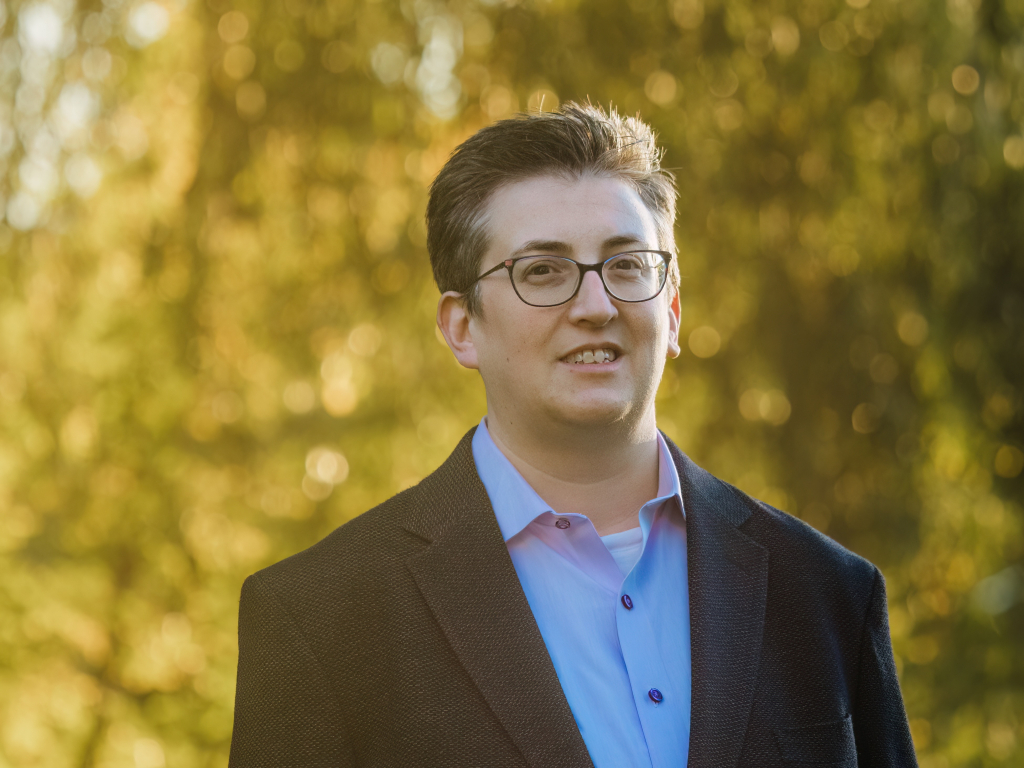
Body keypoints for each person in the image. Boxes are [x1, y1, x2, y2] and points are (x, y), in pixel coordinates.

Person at [229, 103, 918, 768]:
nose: (596, 305)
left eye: (627, 265)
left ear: (674, 310)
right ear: (462, 327)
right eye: (542, 271)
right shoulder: (322, 620)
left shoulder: (828, 594)